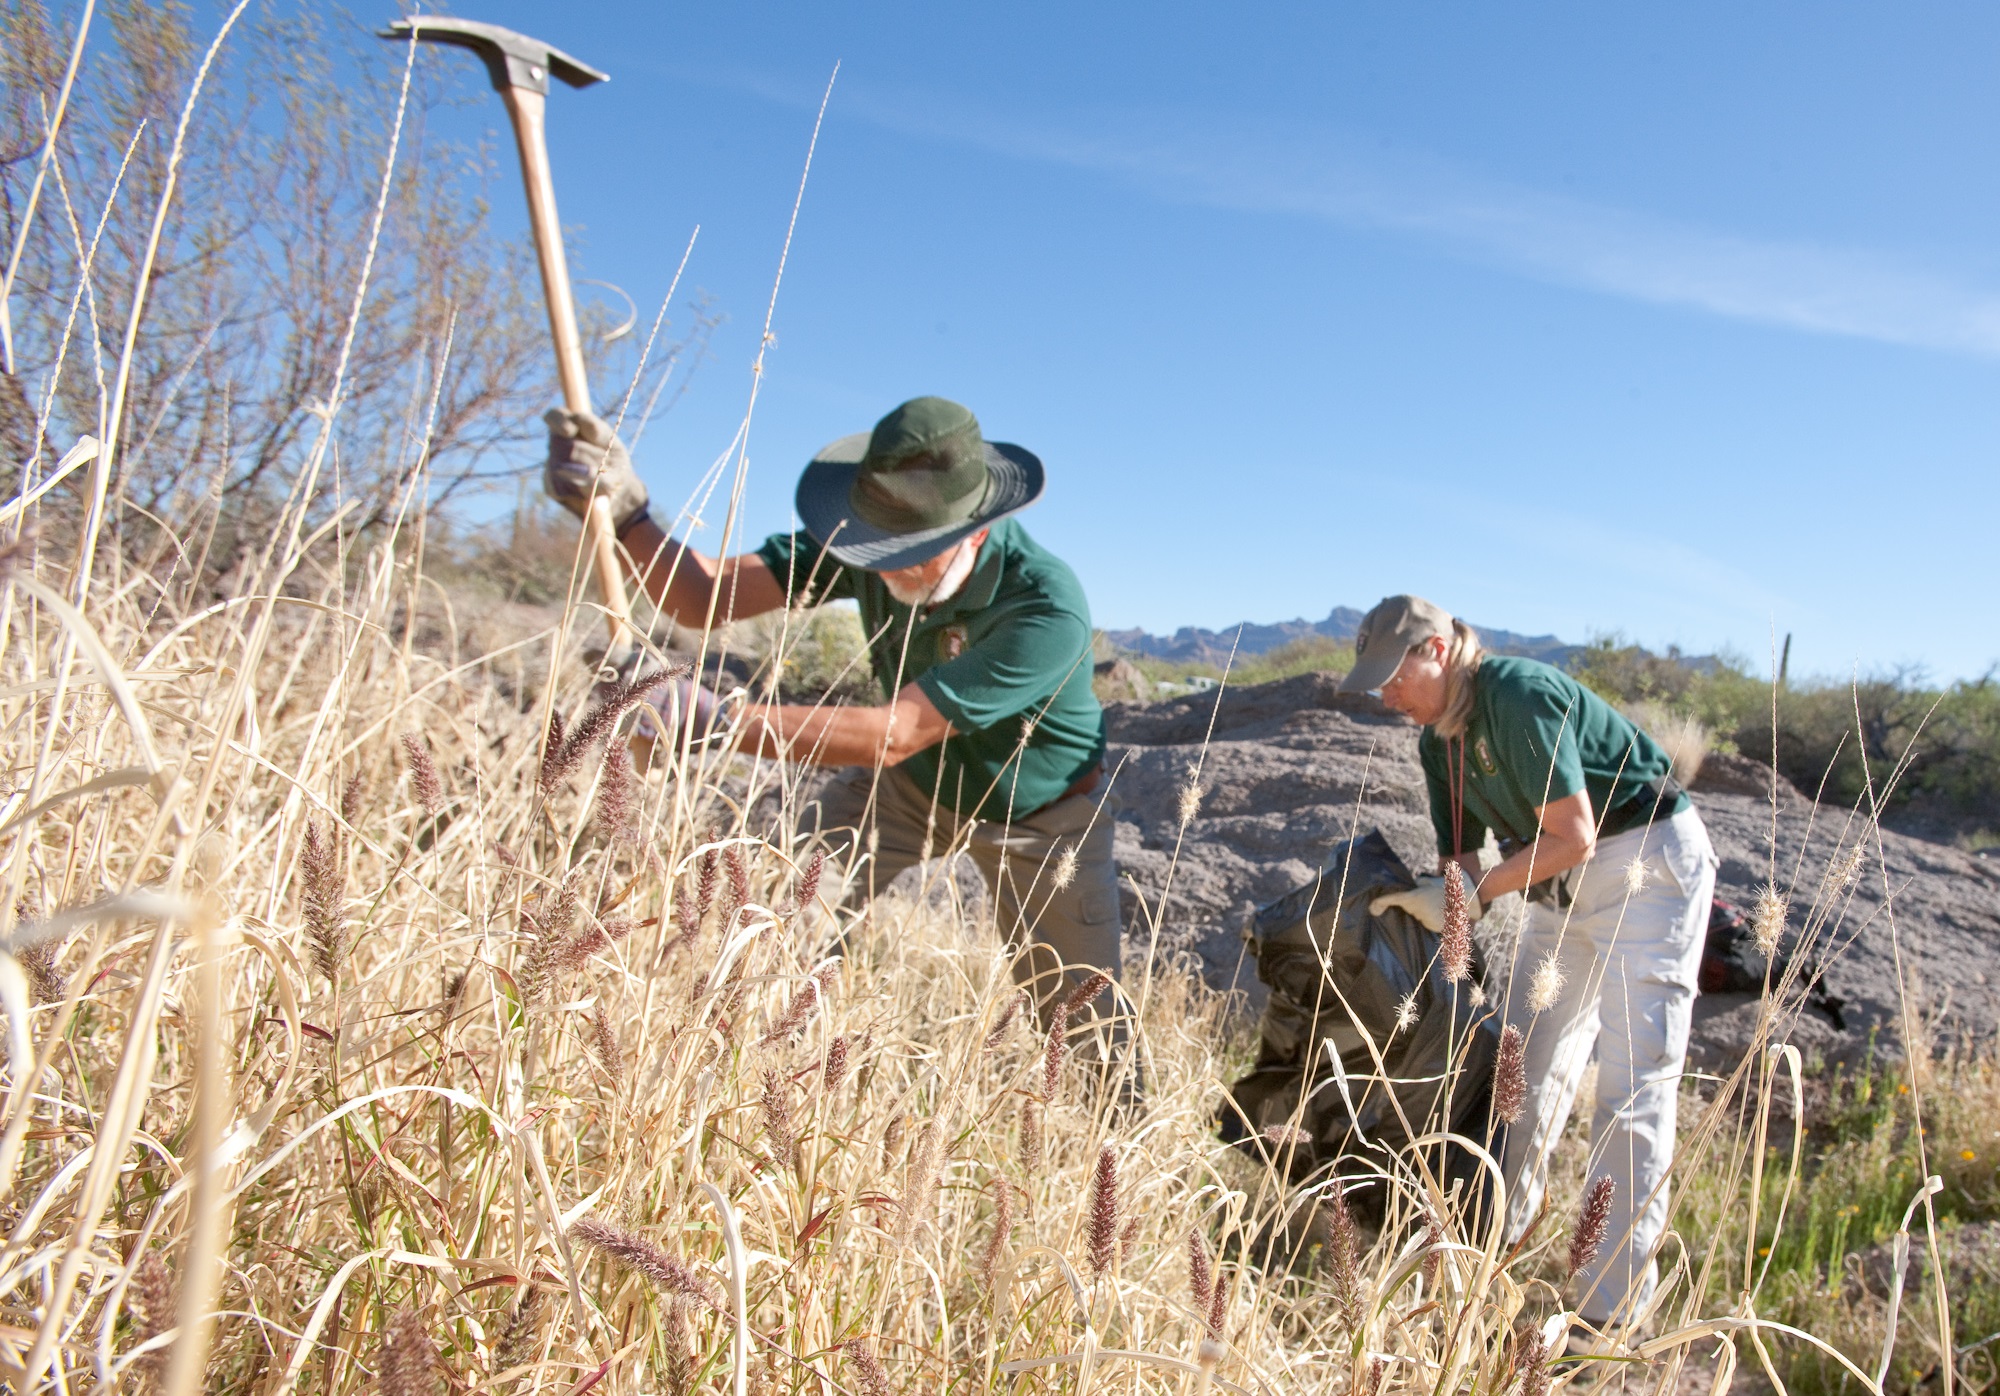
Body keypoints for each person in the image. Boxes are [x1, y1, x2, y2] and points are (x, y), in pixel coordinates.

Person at [540, 396, 1122, 1030]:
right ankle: (768, 1062)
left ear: (974, 529)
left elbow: (894, 733)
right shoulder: (868, 544)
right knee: (766, 905)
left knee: (1080, 1024)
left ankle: (1115, 1118)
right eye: (875, 547)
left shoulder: (1042, 608)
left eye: (909, 550)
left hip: (1038, 819)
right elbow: (703, 596)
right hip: (911, 789)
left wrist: (721, 718)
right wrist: (626, 515)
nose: (884, 565)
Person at [1339, 594, 1717, 1339]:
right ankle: (1488, 1251)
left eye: (1393, 675)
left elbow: (1574, 833)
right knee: (1522, 1064)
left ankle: (1608, 1314)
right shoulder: (1433, 742)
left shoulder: (1517, 694)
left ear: (1437, 652)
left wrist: (1475, 894)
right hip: (1554, 887)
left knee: (1632, 1084)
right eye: (1375, 680)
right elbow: (1458, 859)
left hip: (1644, 863)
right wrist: (1448, 923)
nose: (1386, 694)